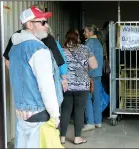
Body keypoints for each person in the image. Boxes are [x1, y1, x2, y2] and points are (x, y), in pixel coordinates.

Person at [8, 6, 63, 148]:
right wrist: (55, 115)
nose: (47, 26)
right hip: (39, 111)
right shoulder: (39, 49)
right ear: (29, 24)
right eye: (43, 22)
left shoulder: (14, 47)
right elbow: (46, 86)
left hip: (22, 111)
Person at [60, 29, 98, 145]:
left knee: (65, 110)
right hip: (82, 86)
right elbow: (94, 65)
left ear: (66, 37)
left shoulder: (62, 50)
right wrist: (84, 69)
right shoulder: (85, 49)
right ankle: (77, 138)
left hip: (67, 85)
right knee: (79, 111)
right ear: (78, 37)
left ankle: (62, 137)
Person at [82, 24, 104, 131]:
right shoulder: (99, 43)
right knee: (97, 98)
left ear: (91, 32)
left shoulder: (88, 43)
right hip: (98, 74)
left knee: (87, 98)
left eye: (85, 31)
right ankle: (98, 121)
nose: (84, 34)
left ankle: (90, 122)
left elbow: (85, 60)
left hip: (89, 75)